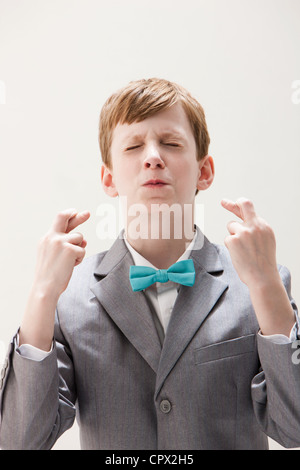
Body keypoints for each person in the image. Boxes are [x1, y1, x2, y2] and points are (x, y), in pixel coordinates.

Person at [0, 77, 300, 450]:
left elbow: (295, 428)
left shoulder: (259, 283)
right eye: (133, 145)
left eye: (171, 143)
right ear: (109, 178)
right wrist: (42, 293)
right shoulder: (69, 293)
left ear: (204, 172)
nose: (153, 156)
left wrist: (267, 286)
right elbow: (19, 441)